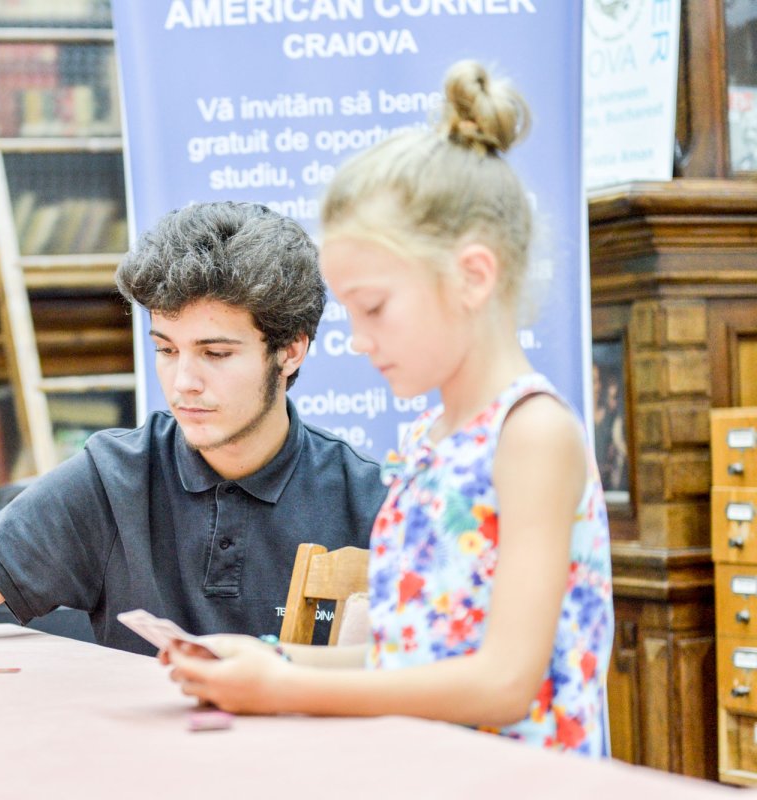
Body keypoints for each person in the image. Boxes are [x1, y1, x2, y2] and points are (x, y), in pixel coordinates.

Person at [166, 61, 614, 758]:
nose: (361, 339)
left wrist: (286, 690)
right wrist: (265, 661)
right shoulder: (429, 440)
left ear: (472, 275)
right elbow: (408, 661)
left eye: (374, 307)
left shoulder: (534, 435)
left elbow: (503, 683)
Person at [0, 201, 387, 669]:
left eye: (216, 354)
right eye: (166, 349)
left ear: (291, 350)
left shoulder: (369, 499)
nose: (183, 383)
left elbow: (437, 672)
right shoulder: (114, 478)